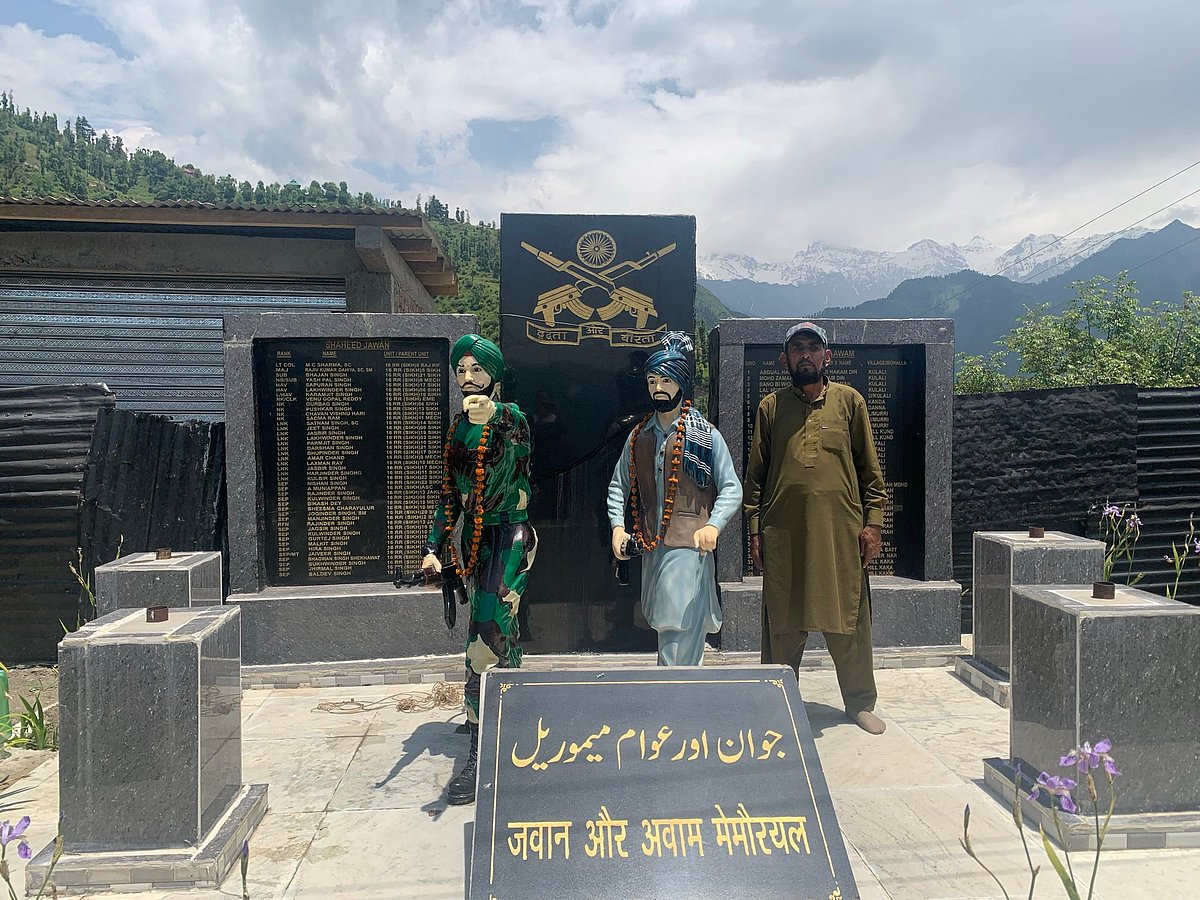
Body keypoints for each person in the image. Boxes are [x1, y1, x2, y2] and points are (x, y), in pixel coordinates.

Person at [743, 322, 888, 735]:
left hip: (840, 532)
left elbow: (870, 472)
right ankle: (777, 701)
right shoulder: (771, 407)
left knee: (849, 617)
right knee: (783, 621)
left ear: (827, 356)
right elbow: (756, 476)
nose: (805, 354)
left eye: (812, 347)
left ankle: (860, 702)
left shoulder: (850, 402)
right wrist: (755, 530)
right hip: (784, 534)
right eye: (797, 348)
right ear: (784, 359)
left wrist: (873, 524)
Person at [422, 334, 537, 803]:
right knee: (500, 634)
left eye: (476, 370)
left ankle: (481, 749)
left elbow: (516, 432)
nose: (468, 379)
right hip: (476, 543)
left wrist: (495, 414)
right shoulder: (456, 430)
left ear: (494, 374)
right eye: (461, 370)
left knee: (484, 637)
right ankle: (508, 714)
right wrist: (433, 547)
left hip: (510, 538)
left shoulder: (512, 419)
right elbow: (450, 495)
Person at [607, 331, 741, 666]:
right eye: (652, 381)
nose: (658, 388)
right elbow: (618, 486)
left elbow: (731, 487)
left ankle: (674, 685)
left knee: (675, 620)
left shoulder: (705, 436)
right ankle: (678, 684)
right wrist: (617, 527)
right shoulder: (639, 436)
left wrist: (713, 525)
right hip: (652, 544)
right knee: (667, 619)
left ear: (681, 383)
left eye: (666, 380)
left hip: (688, 544)